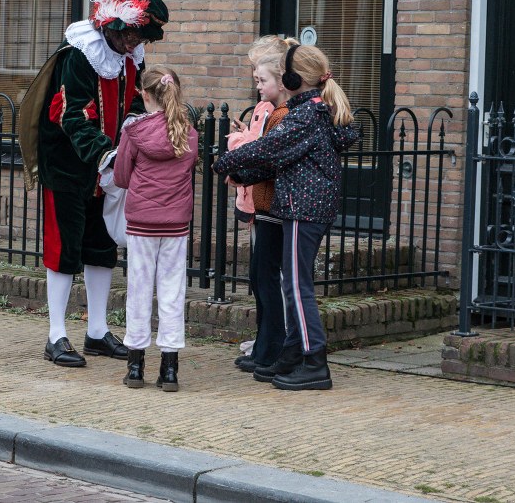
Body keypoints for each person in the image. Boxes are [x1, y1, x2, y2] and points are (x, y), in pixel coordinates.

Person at [19, 0, 169, 368]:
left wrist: (134, 140)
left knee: (102, 248)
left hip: (109, 168)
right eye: (129, 35)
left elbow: (133, 106)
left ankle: (98, 331)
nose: (133, 43)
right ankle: (56, 335)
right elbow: (72, 116)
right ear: (110, 25)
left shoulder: (129, 59)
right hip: (69, 165)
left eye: (139, 37)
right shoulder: (78, 56)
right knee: (64, 249)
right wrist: (108, 155)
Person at [213, 43, 358, 390]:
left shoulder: (305, 114)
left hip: (303, 209)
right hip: (303, 208)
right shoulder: (312, 110)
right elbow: (280, 160)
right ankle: (294, 352)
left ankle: (315, 362)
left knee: (296, 286)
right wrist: (243, 173)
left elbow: (267, 148)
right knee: (294, 284)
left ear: (292, 79)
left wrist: (225, 161)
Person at [113, 65, 197, 391]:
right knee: (172, 291)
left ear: (145, 95)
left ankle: (135, 367)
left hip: (141, 222)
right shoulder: (188, 133)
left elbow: (121, 177)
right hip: (175, 223)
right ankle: (170, 369)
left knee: (139, 289)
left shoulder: (134, 132)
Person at [227, 36, 297, 376]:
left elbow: (264, 155)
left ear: (281, 81)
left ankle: (273, 349)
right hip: (263, 204)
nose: (257, 86)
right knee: (260, 276)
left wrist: (238, 148)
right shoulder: (271, 111)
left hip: (272, 207)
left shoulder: (282, 115)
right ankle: (264, 346)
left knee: (268, 278)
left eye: (261, 79)